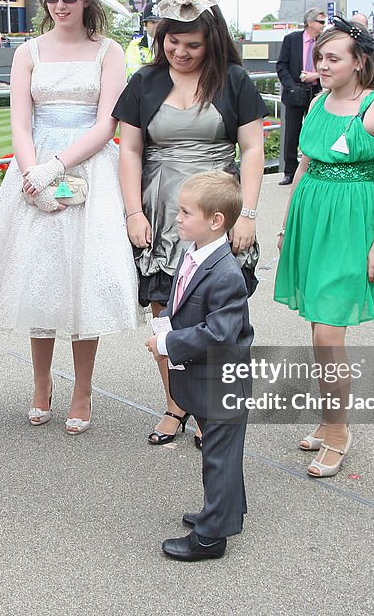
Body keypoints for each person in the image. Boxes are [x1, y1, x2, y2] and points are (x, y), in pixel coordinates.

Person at [0, 0, 141, 434]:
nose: (59, 5)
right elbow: (20, 122)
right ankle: (41, 383)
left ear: (86, 0)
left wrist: (56, 168)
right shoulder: (28, 51)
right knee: (39, 278)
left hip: (88, 167)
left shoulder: (109, 52)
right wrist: (31, 173)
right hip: (35, 166)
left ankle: (82, 389)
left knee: (82, 281)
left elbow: (108, 124)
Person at [115, 0, 266, 447]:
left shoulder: (234, 80)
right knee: (167, 314)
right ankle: (175, 403)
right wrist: (132, 213)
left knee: (217, 317)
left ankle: (211, 409)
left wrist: (250, 214)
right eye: (172, 41)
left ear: (212, 40)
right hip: (161, 213)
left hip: (220, 211)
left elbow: (254, 149)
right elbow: (130, 152)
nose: (180, 51)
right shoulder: (145, 81)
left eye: (192, 44)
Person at [273, 17, 374, 477]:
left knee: (329, 333)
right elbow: (304, 166)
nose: (321, 65)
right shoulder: (319, 101)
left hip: (353, 222)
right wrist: (289, 225)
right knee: (318, 330)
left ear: (359, 62)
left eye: (333, 58)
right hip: (312, 217)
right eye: (320, 57)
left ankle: (340, 429)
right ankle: (329, 421)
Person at [145, 170, 253, 561]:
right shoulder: (194, 252)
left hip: (224, 381)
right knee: (221, 454)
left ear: (216, 221)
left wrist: (168, 342)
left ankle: (210, 538)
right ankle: (224, 511)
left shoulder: (226, 272)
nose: (177, 218)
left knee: (219, 456)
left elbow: (220, 332)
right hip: (207, 378)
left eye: (186, 213)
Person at [276, 8, 326, 185]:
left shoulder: (324, 42)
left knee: (316, 130)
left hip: (317, 92)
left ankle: (314, 168)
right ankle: (290, 171)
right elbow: (281, 65)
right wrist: (291, 86)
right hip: (295, 92)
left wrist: (316, 76)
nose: (323, 25)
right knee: (292, 133)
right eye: (320, 22)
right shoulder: (292, 39)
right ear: (310, 22)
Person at [125, 9, 160, 78]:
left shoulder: (169, 44)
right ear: (145, 25)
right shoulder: (135, 44)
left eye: (160, 22)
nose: (157, 26)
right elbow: (132, 70)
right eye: (153, 22)